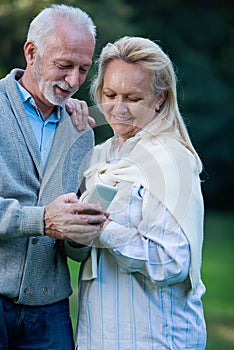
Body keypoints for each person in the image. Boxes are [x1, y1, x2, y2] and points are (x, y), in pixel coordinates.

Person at [71, 36, 207, 349]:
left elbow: (172, 262)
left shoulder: (171, 159)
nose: (118, 109)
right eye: (110, 94)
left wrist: (102, 228)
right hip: (98, 335)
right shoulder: (97, 157)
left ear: (159, 98)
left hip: (154, 336)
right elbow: (79, 252)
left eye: (133, 98)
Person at [0, 4, 107, 350]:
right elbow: (47, 220)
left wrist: (81, 231)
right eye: (64, 66)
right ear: (31, 52)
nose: (74, 81)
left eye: (82, 69)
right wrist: (43, 219)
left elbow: (74, 250)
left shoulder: (81, 130)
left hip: (50, 311)